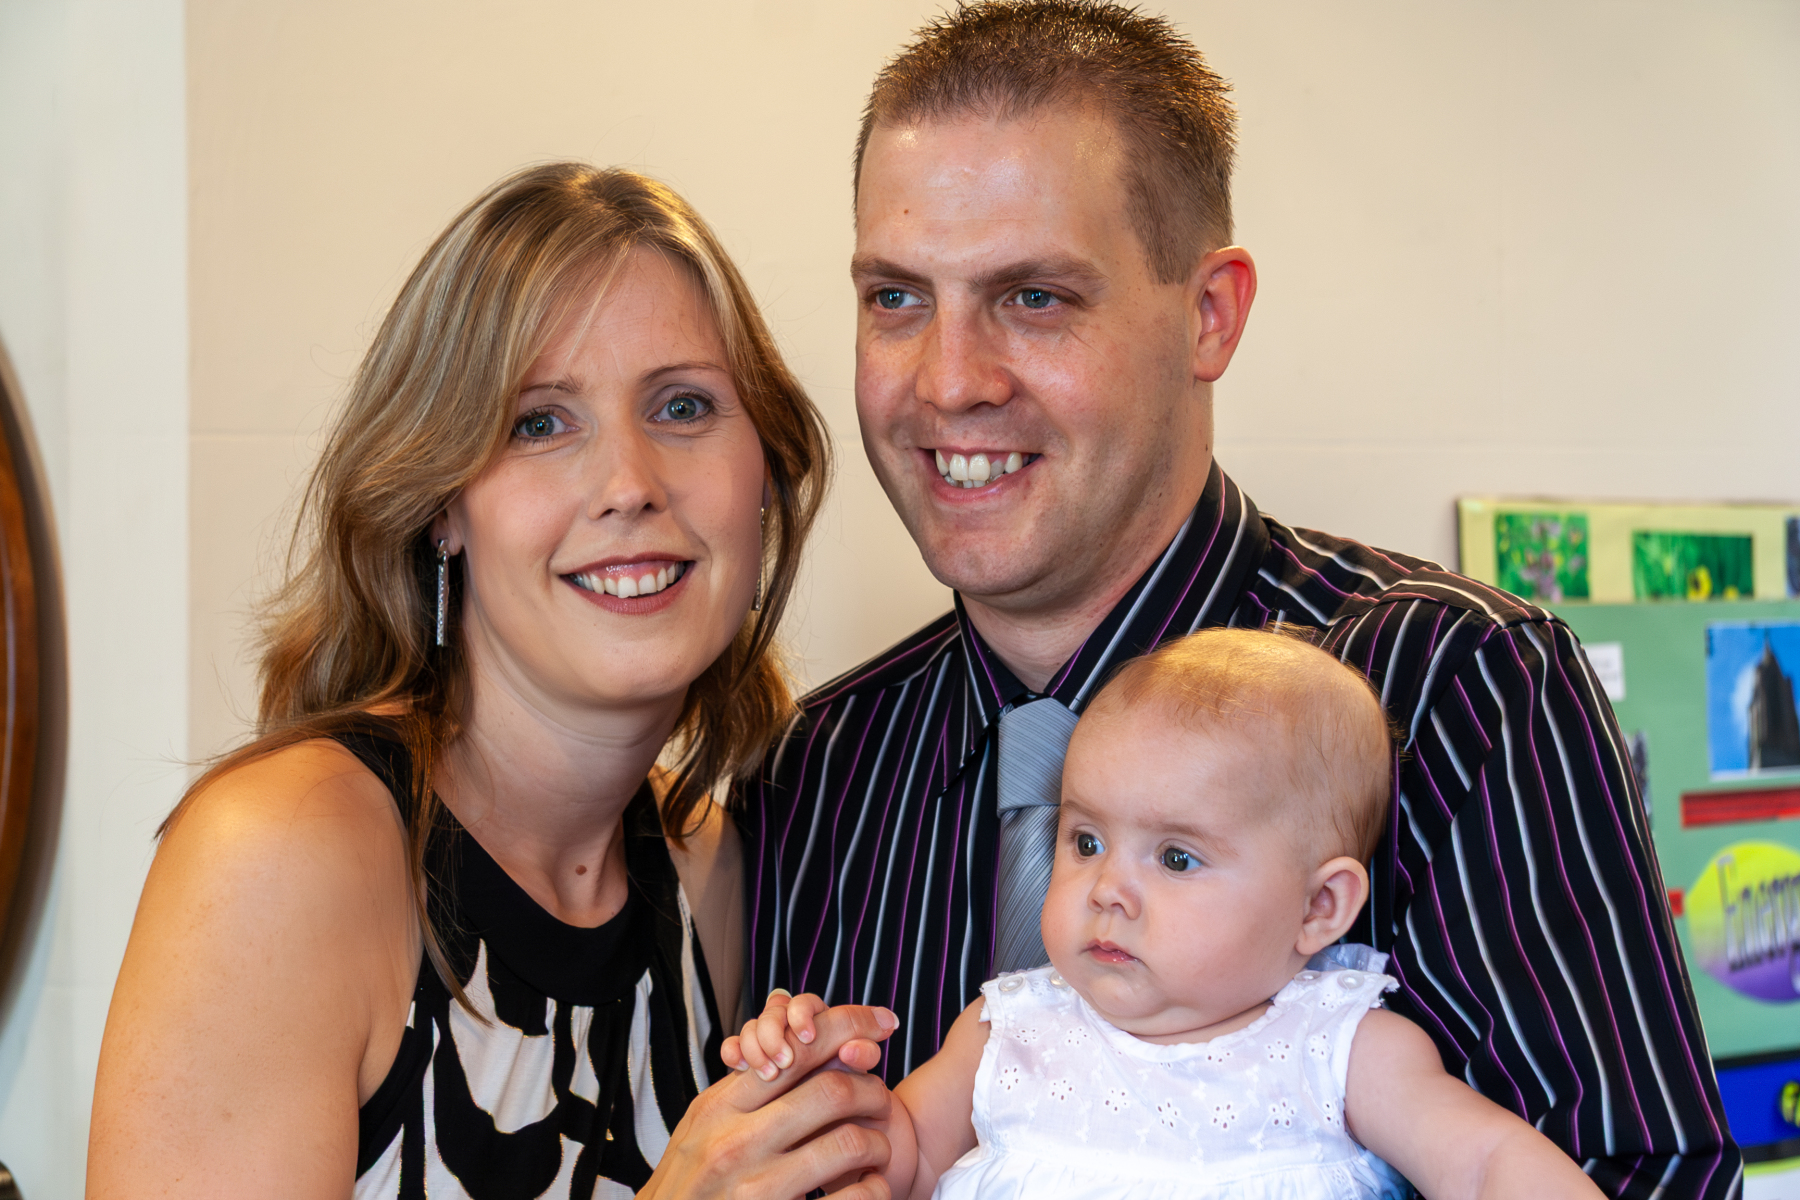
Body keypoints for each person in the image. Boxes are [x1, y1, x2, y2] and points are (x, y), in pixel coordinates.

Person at [735, 3, 1739, 1197]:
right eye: (897, 298)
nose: (950, 382)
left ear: (1209, 315)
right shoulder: (818, 770)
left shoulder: (1460, 690)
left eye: (1035, 296)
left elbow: (1643, 1176)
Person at [87, 162, 898, 1199]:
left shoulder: (712, 873)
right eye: (540, 422)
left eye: (684, 405)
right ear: (441, 505)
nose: (629, 485)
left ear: (767, 480)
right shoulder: (281, 856)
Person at [732, 629, 1609, 1200]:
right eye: (1085, 841)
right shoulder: (1006, 1029)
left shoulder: (1339, 1048)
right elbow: (903, 1160)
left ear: (1319, 908)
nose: (1108, 888)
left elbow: (1486, 1164)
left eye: (1177, 858)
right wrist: (819, 1083)